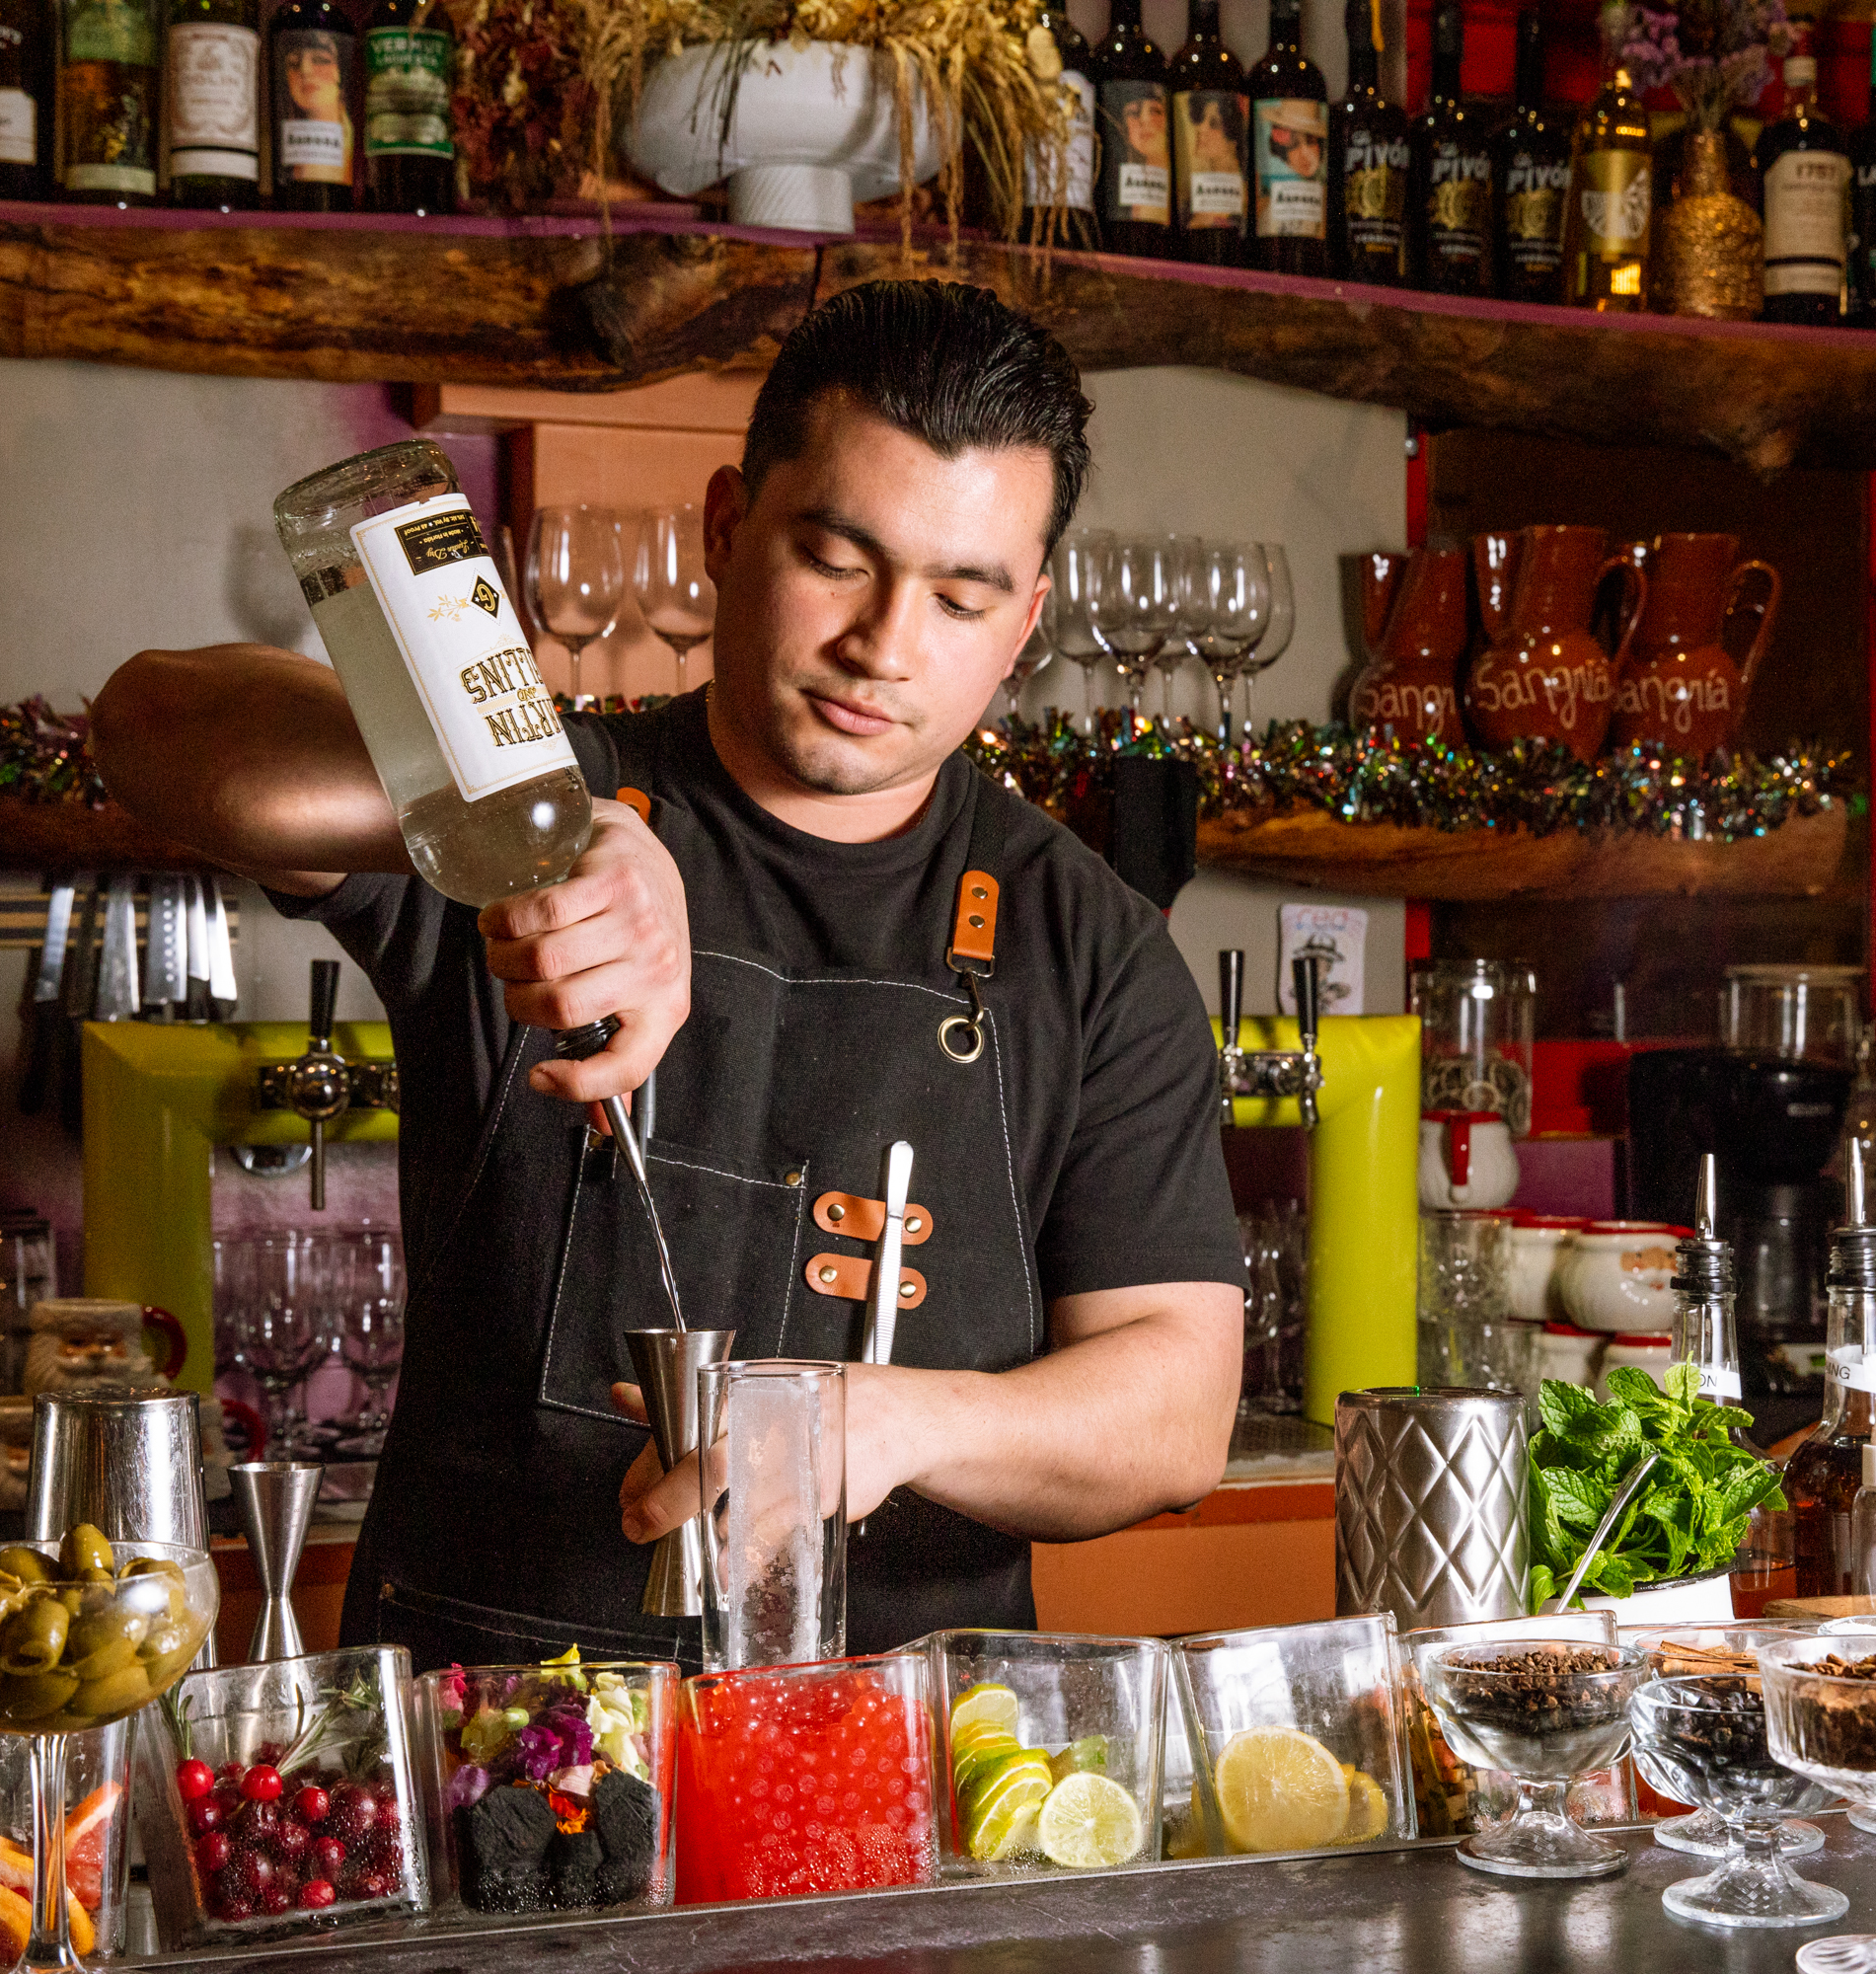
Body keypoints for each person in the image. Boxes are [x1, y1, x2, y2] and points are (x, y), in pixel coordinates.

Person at [93, 280, 1245, 1667]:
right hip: (489, 1736)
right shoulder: (530, 808)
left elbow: (1178, 1411)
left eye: (959, 596)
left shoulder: (1092, 947)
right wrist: (559, 825)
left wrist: (875, 1424)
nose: (884, 644)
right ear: (724, 527)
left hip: (888, 1762)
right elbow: (154, 722)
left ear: (1024, 623)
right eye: (837, 557)